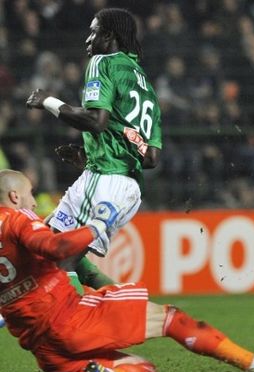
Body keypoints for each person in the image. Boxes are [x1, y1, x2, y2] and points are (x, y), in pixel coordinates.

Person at [0, 169, 254, 372]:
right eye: (28, 195)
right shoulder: (18, 219)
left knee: (142, 369)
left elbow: (72, 266)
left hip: (45, 351)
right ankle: (252, 363)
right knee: (171, 318)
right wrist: (97, 224)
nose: (32, 203)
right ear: (14, 196)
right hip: (69, 319)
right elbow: (56, 248)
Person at [25, 8, 162, 289]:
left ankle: (69, 329)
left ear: (109, 36)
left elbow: (95, 121)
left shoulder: (103, 62)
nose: (88, 39)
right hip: (125, 187)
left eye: (93, 32)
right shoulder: (143, 82)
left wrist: (48, 101)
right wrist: (91, 155)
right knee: (46, 245)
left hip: (105, 181)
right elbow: (149, 158)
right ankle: (127, 311)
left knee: (62, 261)